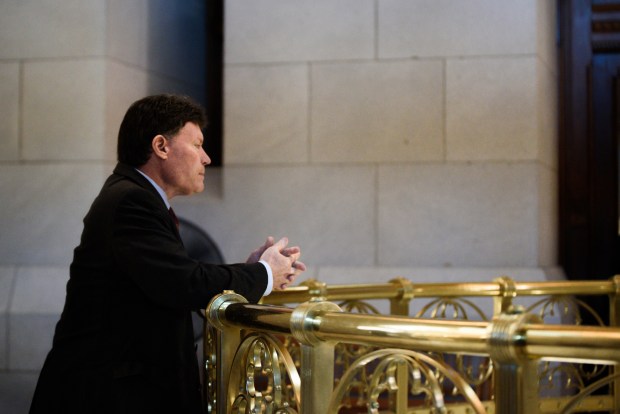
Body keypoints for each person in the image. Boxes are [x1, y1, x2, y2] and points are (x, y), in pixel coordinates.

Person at [29, 94, 306, 414]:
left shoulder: (135, 196)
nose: (206, 158)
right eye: (197, 144)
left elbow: (171, 275)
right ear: (161, 146)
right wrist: (264, 273)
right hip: (107, 396)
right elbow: (183, 282)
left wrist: (250, 269)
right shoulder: (132, 201)